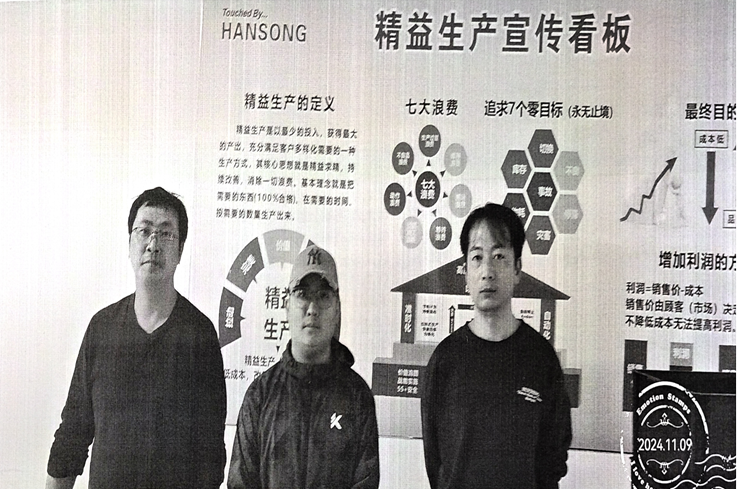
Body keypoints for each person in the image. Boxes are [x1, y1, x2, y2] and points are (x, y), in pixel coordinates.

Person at [46, 187, 227, 489]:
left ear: (180, 250)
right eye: (144, 231)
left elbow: (210, 455)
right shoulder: (101, 329)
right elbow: (72, 434)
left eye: (166, 234)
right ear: (129, 243)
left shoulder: (200, 336)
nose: (153, 244)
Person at [421, 203, 572, 489]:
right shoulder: (445, 360)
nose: (487, 271)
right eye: (477, 258)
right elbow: (435, 460)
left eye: (499, 256)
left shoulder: (541, 358)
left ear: (517, 269)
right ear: (466, 271)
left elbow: (554, 457)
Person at [228, 244, 379, 489]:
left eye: (323, 296)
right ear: (287, 305)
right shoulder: (260, 395)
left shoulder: (357, 396)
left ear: (337, 308)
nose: (312, 309)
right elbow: (240, 483)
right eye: (302, 294)